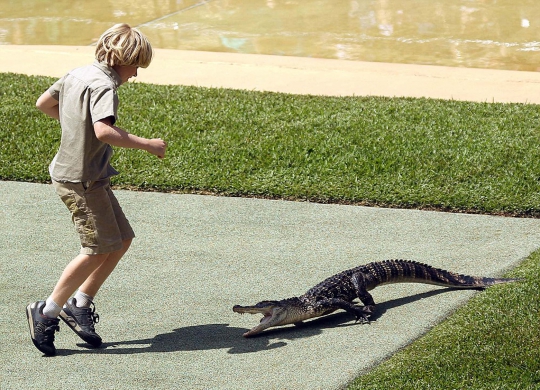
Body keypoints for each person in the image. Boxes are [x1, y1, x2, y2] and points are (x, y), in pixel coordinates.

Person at [26, 23, 167, 356]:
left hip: (87, 175)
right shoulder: (105, 85)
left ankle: (80, 302)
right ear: (124, 59)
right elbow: (104, 131)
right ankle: (46, 310)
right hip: (81, 180)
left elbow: (44, 103)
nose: (135, 74)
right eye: (136, 66)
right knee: (96, 249)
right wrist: (148, 144)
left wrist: (74, 124)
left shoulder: (78, 73)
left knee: (121, 239)